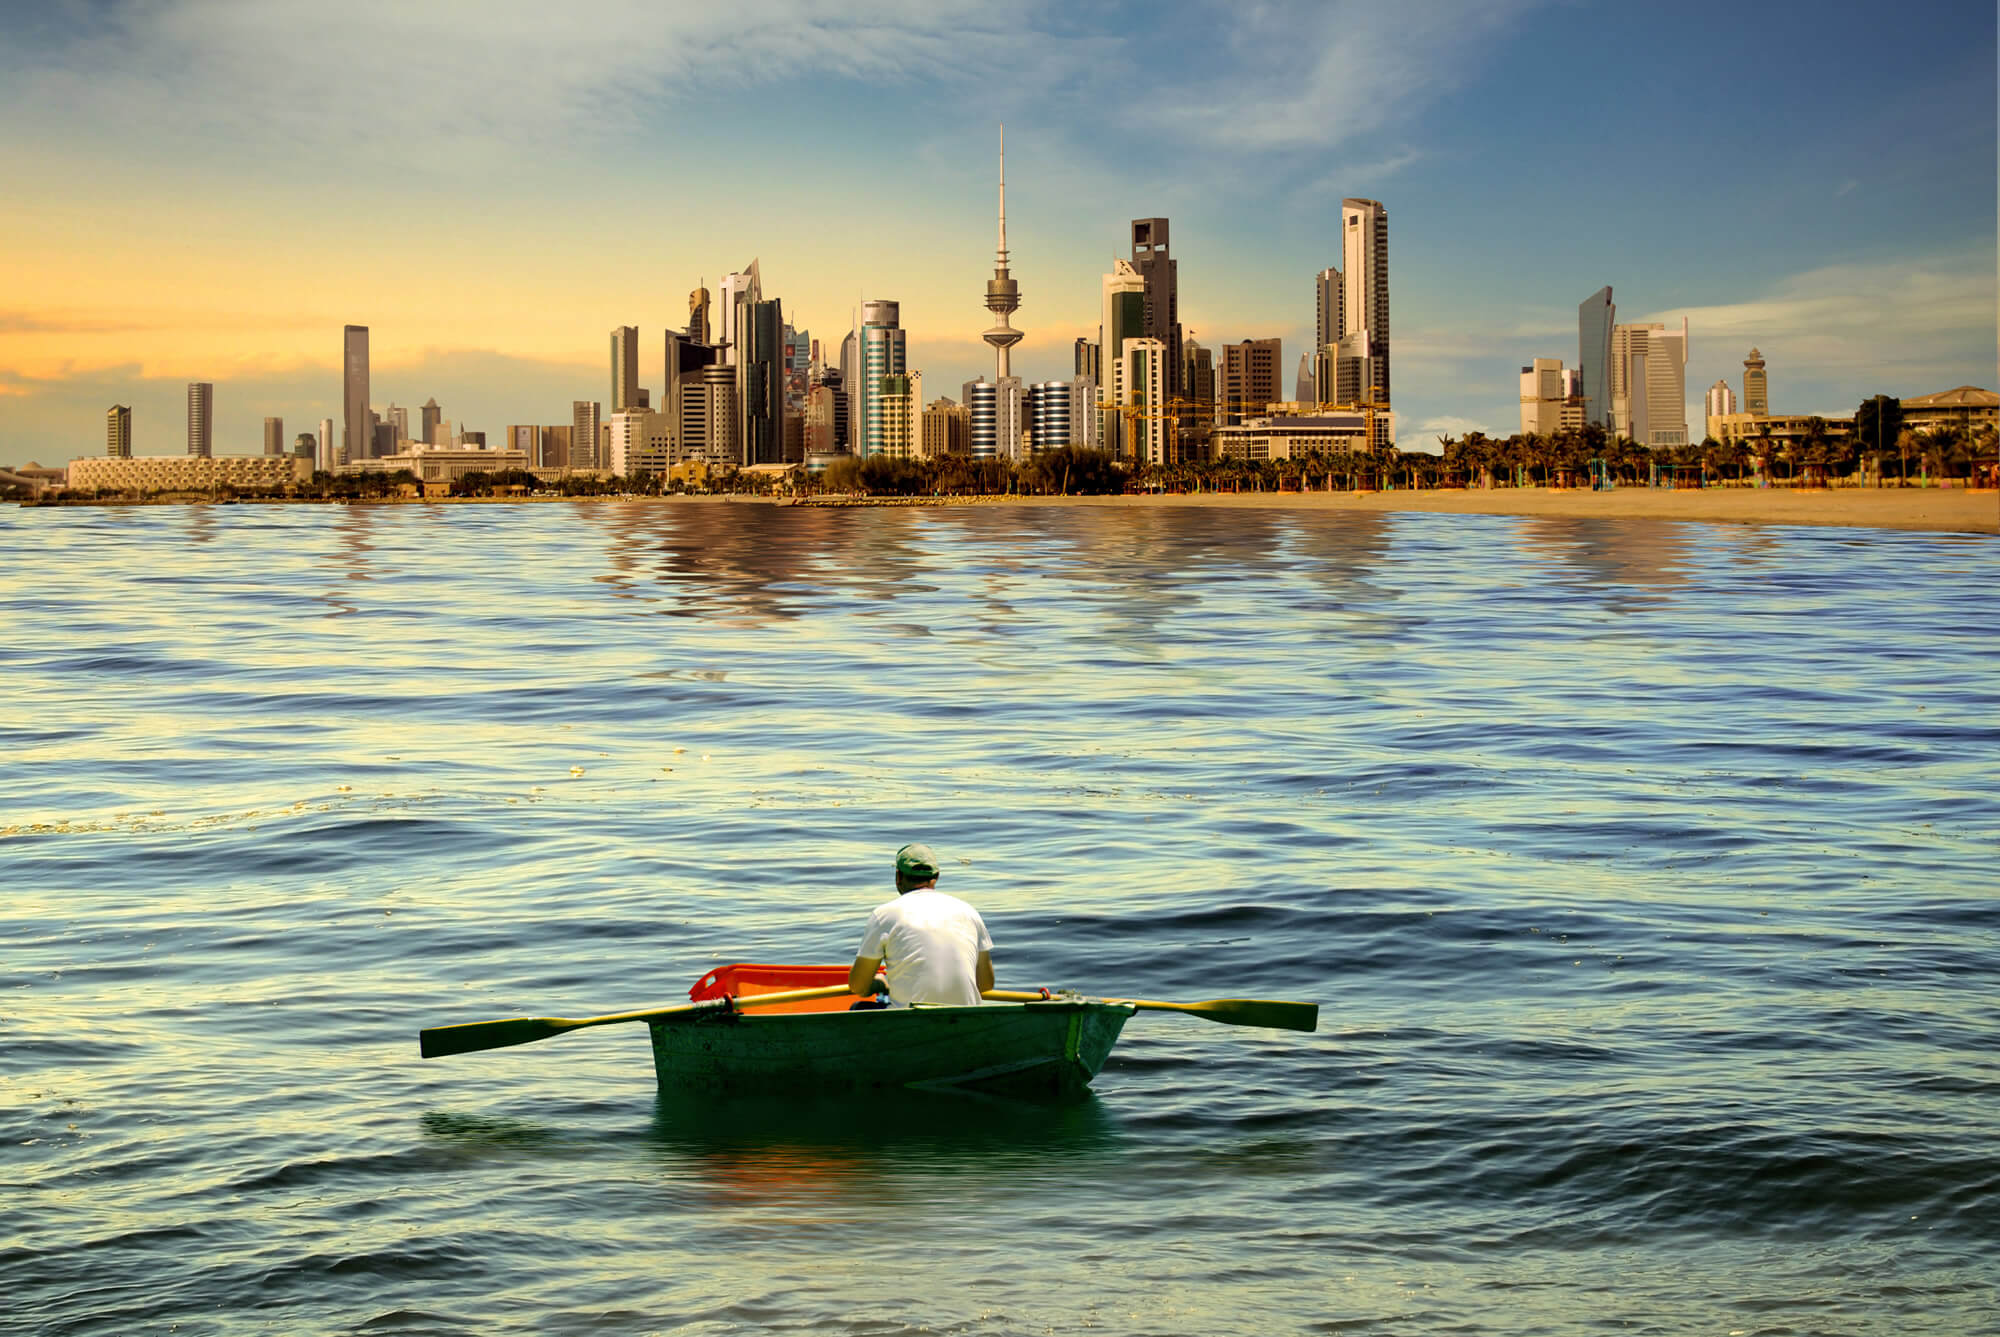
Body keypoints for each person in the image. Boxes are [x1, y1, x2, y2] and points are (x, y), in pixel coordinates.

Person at [848, 842, 994, 1008]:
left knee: (857, 1008)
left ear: (898, 876)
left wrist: (880, 983)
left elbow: (858, 986)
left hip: (911, 1023)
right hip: (965, 1020)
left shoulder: (884, 915)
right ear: (937, 876)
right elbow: (985, 984)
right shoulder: (969, 912)